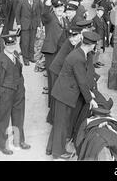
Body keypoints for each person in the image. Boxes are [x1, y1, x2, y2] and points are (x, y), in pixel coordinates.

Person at [48, 32, 100, 160]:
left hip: (63, 92)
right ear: (92, 45)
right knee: (61, 124)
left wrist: (89, 92)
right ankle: (57, 153)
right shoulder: (79, 58)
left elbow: (80, 79)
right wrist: (90, 99)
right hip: (64, 94)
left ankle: (51, 149)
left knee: (60, 123)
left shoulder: (79, 53)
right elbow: (81, 81)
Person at [0, 34, 31, 155]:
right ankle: (2, 145)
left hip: (18, 92)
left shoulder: (16, 55)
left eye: (13, 44)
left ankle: (19, 140)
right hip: (5, 94)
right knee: (3, 120)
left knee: (18, 117)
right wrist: (2, 92)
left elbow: (19, 72)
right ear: (4, 45)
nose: (11, 47)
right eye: (9, 44)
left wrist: (22, 88)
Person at [15, 0, 43, 66]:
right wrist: (18, 24)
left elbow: (38, 15)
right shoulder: (22, 2)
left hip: (33, 25)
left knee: (31, 42)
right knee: (25, 43)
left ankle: (31, 57)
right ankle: (25, 58)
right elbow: (17, 13)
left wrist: (38, 25)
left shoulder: (36, 3)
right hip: (24, 25)